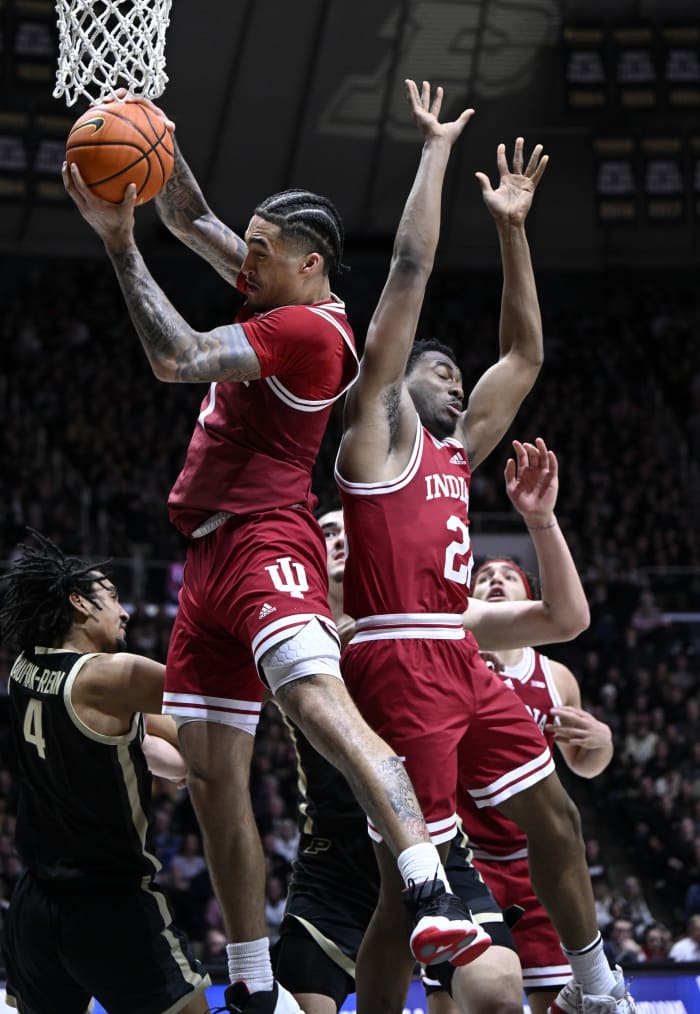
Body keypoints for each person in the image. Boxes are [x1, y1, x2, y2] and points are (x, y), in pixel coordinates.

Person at [62, 84, 483, 1014]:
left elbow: (174, 356)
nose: (239, 260)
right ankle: (252, 982)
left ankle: (429, 883)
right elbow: (198, 215)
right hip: (206, 557)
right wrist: (157, 142)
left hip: (266, 542)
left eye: (256, 253)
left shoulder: (306, 331)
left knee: (319, 704)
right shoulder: (276, 283)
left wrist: (119, 241)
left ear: (310, 264)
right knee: (213, 776)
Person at [334, 82, 636, 1014]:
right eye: (441, 369)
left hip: (456, 655)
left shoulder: (459, 454)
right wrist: (433, 156)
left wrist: (511, 229)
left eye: (460, 376)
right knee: (402, 894)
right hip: (394, 656)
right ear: (399, 379)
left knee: (554, 813)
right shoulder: (374, 436)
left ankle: (595, 983)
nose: (458, 382)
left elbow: (527, 356)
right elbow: (413, 270)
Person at [274, 435, 594, 1014]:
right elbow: (198, 705)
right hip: (338, 862)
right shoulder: (289, 635)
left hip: (438, 849)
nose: (342, 536)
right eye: (326, 532)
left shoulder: (433, 619)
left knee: (498, 994)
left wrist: (542, 521)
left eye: (351, 525)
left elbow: (565, 618)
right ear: (309, 556)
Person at [0, 529, 210, 1014]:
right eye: (113, 597)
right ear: (79, 602)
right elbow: (210, 703)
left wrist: (154, 747)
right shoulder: (111, 676)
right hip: (110, 903)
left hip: (34, 902)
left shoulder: (22, 669)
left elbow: (156, 755)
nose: (125, 611)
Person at [425, 553, 614, 1014]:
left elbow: (582, 765)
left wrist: (602, 743)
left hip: (535, 866)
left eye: (508, 576)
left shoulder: (555, 676)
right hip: (466, 859)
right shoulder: (453, 657)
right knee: (458, 1003)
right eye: (484, 577)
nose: (495, 581)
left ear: (526, 599)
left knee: (554, 999)